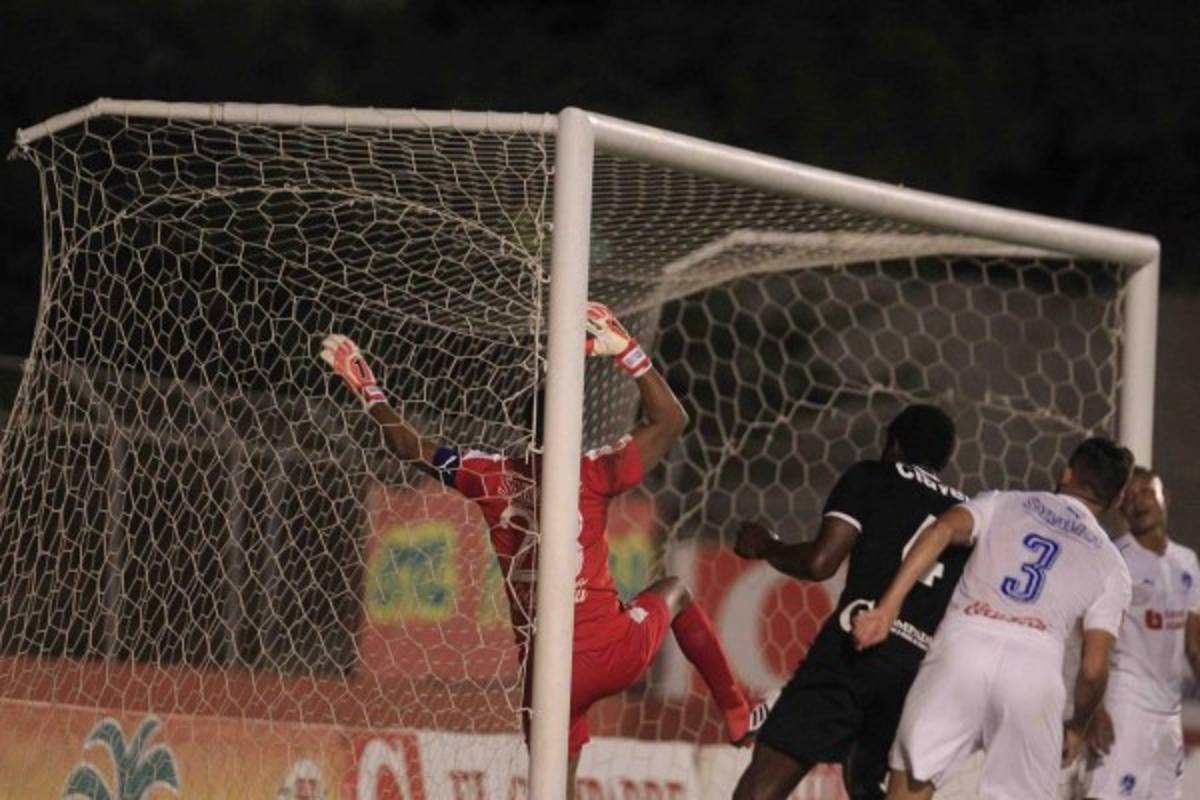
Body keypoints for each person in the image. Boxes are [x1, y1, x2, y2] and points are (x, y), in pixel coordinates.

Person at [318, 301, 754, 794]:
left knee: (553, 789)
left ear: (524, 429)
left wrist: (369, 390)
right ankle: (737, 711)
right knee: (673, 591)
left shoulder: (488, 476)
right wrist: (627, 351)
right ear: (576, 425)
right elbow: (672, 421)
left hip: (546, 683)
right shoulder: (594, 471)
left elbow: (407, 446)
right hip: (613, 654)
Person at [853, 436, 1135, 800]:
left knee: (908, 790)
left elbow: (939, 531)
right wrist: (1078, 727)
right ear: (1115, 500)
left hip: (963, 646)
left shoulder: (1003, 502)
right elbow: (1094, 668)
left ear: (1066, 473)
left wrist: (888, 608)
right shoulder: (1113, 565)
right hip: (1035, 671)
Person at [732, 404, 970, 800]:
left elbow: (821, 561)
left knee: (763, 786)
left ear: (893, 443)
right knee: (863, 779)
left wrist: (765, 546)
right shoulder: (965, 513)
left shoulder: (872, 476)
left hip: (854, 650)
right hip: (916, 668)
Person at [1078, 466, 1200, 800]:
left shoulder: (1187, 561)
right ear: (1121, 508)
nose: (1139, 502)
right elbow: (1088, 634)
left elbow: (1194, 644)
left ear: (1165, 498)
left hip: (1171, 712)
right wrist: (1094, 709)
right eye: (1130, 497)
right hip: (1125, 704)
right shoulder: (1115, 558)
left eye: (1147, 492)